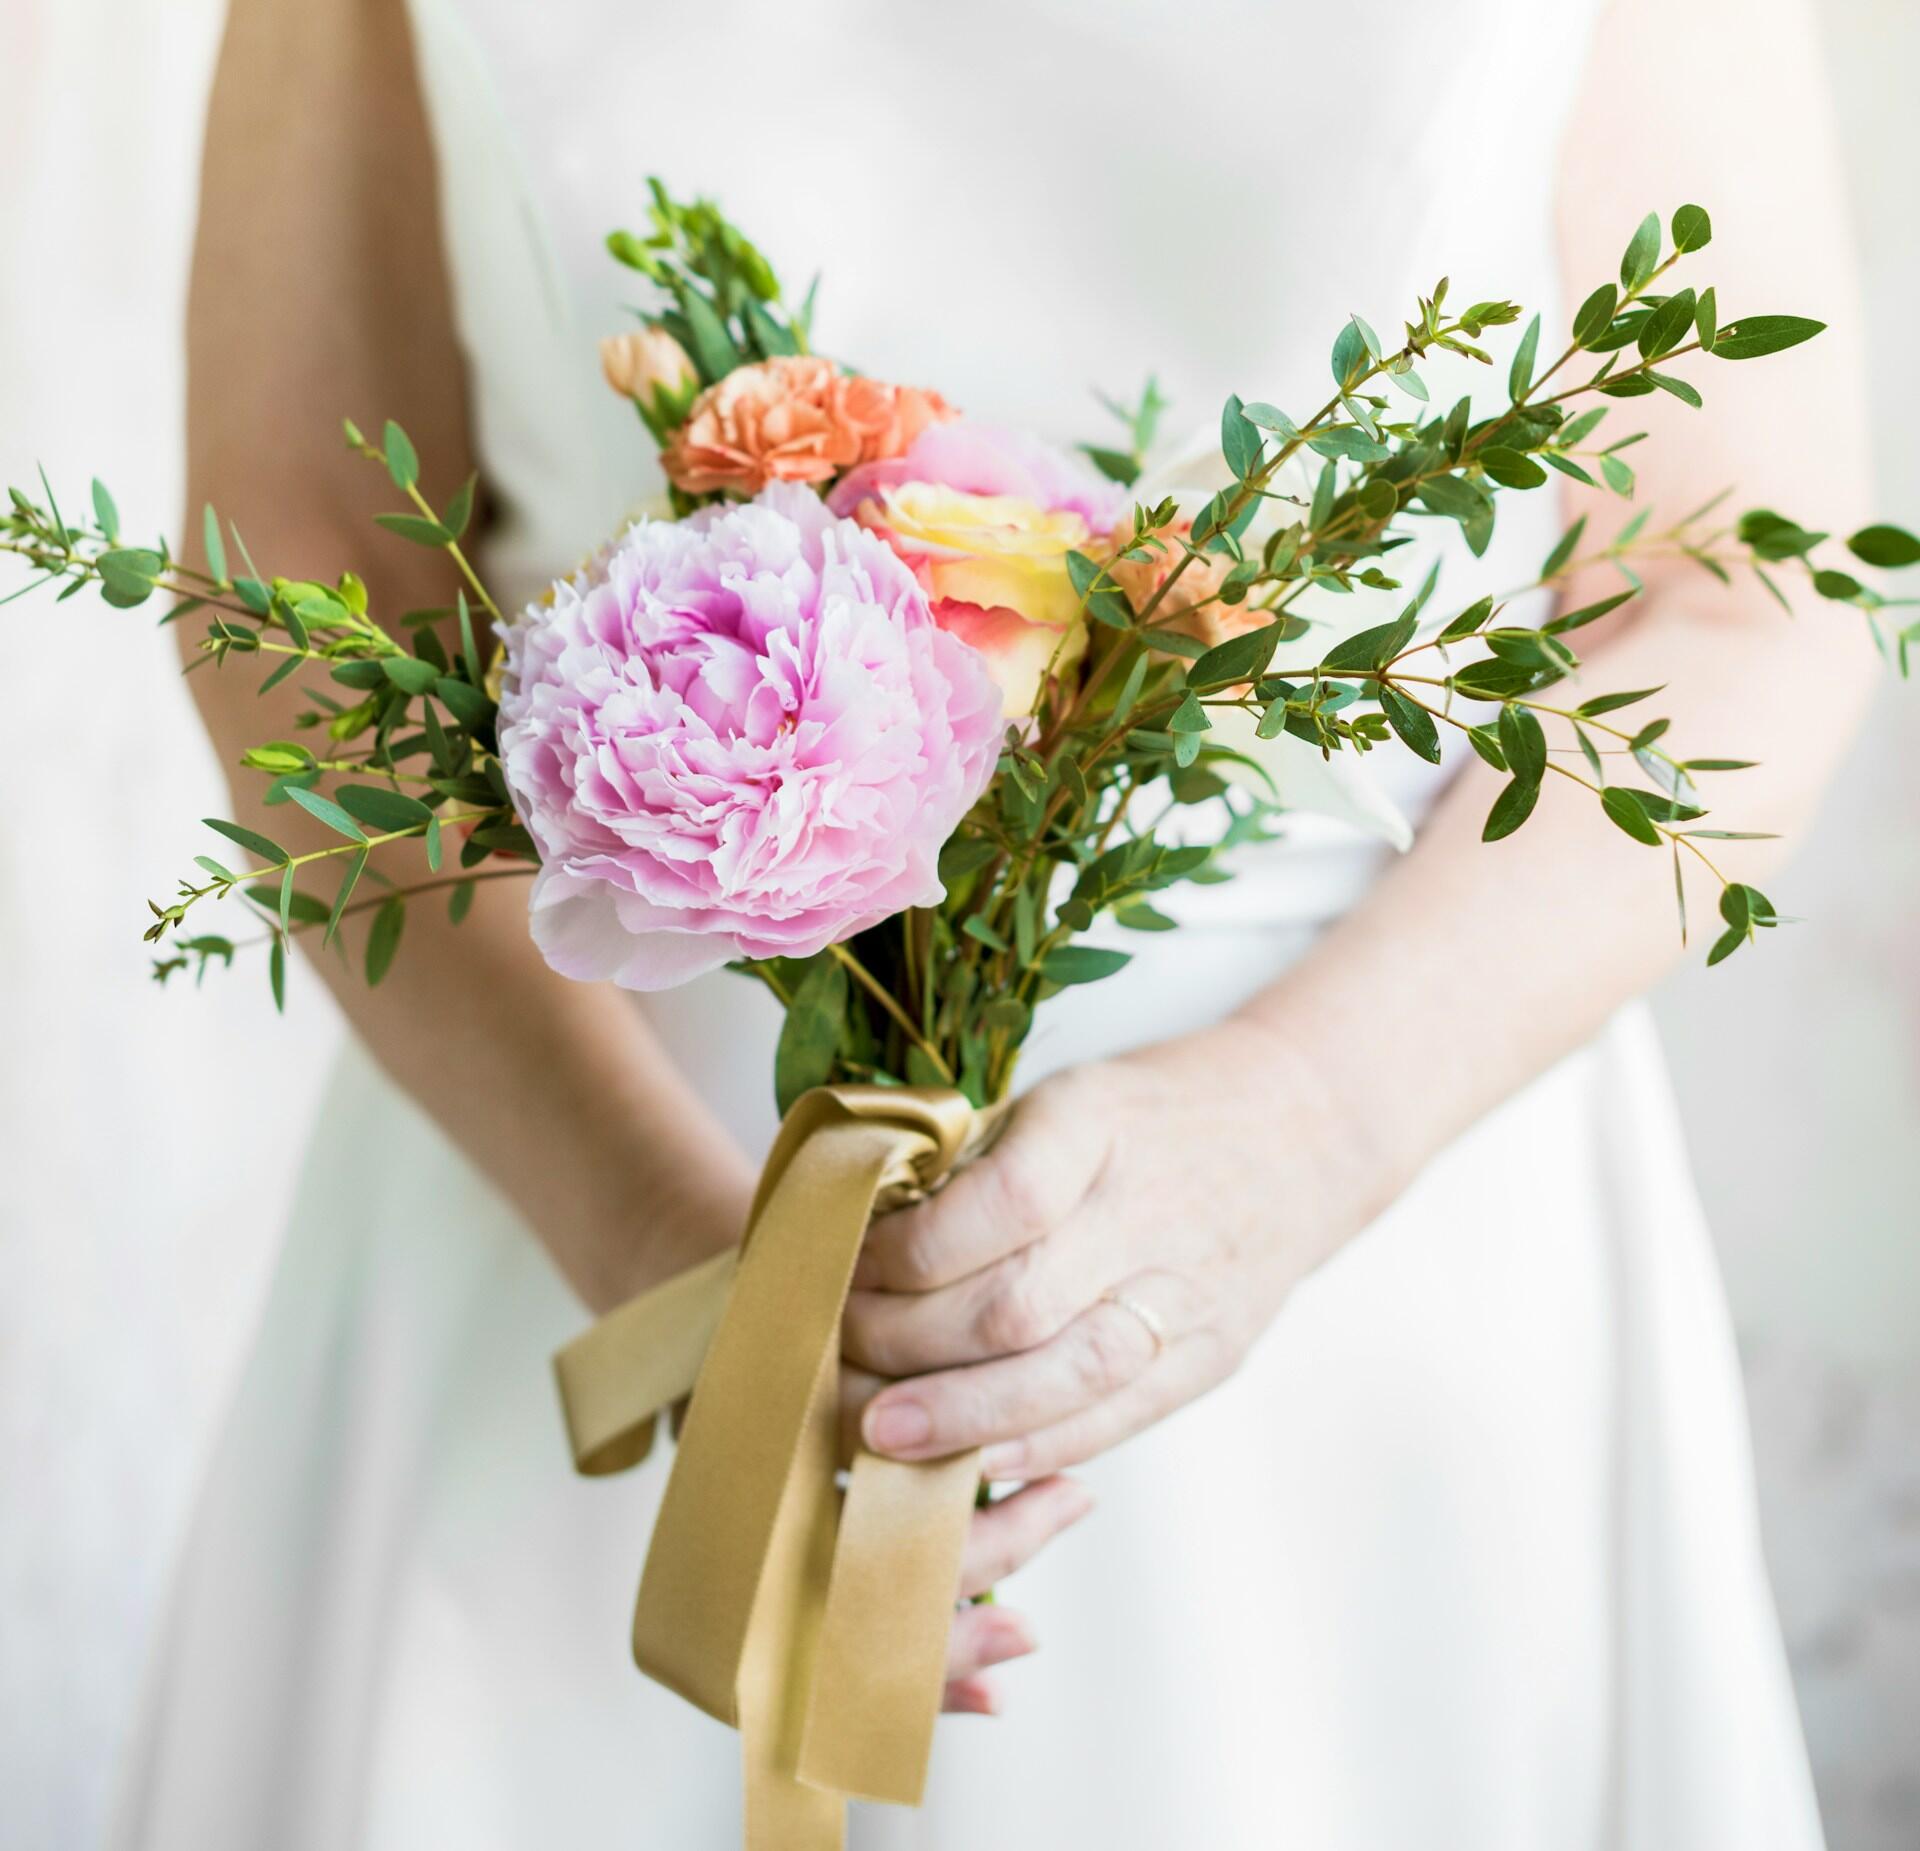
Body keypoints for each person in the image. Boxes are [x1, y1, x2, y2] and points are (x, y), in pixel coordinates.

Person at [112, 0, 1874, 1844]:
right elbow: (302, 552)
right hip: (582, 1212)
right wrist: (656, 1241)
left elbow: (1744, 599)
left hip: (1371, 1255)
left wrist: (1306, 1127)